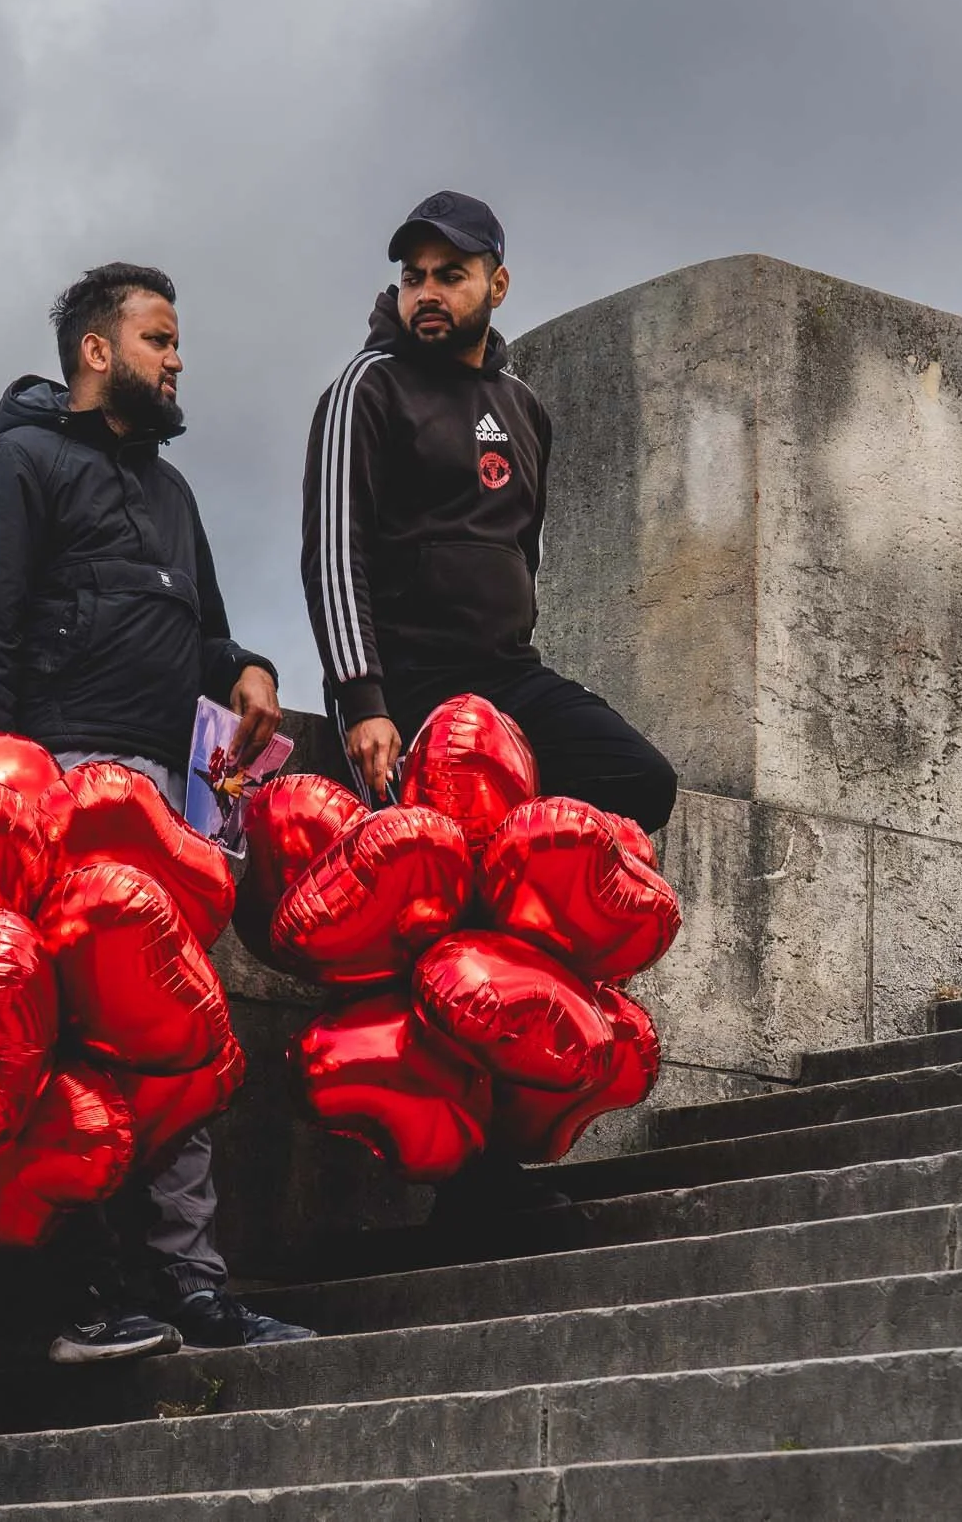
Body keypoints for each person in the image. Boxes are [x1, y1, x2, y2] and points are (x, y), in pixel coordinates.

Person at [0, 262, 312, 1363]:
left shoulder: (172, 494)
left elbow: (197, 632)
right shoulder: (15, 465)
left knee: (181, 1046)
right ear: (98, 351)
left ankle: (193, 1288)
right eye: (158, 337)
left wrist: (243, 665)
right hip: (57, 788)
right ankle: (82, 1295)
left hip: (168, 807)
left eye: (175, 337)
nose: (176, 356)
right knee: (64, 1052)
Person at [298, 191, 680, 1224]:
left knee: (638, 780)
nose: (427, 293)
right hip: (408, 692)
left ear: (494, 285)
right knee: (441, 926)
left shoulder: (523, 407)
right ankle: (472, 1185)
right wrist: (363, 699)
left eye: (449, 274)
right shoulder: (364, 391)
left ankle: (538, 1061)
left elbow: (523, 554)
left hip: (505, 677)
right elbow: (332, 553)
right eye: (414, 275)